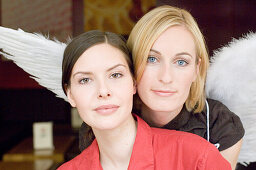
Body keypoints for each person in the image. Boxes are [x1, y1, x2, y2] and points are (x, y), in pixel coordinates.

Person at [79, 5, 244, 170]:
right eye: (152, 59)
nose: (166, 77)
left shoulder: (220, 125)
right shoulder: (105, 119)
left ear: (196, 70)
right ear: (132, 64)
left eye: (181, 62)